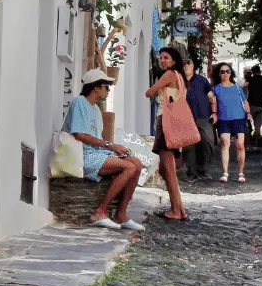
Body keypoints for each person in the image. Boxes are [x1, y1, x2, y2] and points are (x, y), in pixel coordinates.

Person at [63, 68, 146, 231]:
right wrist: (110, 145)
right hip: (82, 155)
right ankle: (100, 211)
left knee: (136, 163)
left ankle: (121, 214)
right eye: (106, 87)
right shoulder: (79, 102)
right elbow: (80, 135)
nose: (108, 90)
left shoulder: (95, 110)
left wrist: (115, 149)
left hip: (96, 154)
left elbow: (97, 139)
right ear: (95, 87)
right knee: (129, 167)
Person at [144, 47, 191, 221]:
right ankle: (179, 209)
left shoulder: (169, 75)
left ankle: (176, 210)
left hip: (165, 122)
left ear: (174, 60)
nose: (162, 60)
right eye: (160, 58)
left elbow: (150, 92)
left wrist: (155, 88)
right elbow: (175, 99)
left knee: (168, 169)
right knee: (166, 168)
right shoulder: (179, 77)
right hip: (173, 122)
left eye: (166, 57)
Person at [209, 62, 250, 183]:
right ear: (219, 74)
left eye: (227, 71)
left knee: (240, 145)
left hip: (239, 118)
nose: (225, 74)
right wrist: (214, 114)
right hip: (224, 119)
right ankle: (225, 173)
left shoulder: (237, 87)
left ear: (231, 73)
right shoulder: (215, 89)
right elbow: (213, 102)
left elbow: (245, 102)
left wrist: (248, 113)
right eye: (222, 72)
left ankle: (241, 173)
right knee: (225, 143)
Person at [181, 56, 215, 180]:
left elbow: (211, 97)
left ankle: (203, 169)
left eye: (188, 63)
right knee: (189, 145)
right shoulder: (178, 80)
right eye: (183, 64)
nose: (186, 66)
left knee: (207, 141)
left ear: (193, 65)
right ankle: (192, 172)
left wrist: (215, 113)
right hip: (185, 117)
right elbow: (172, 99)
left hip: (203, 116)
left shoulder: (202, 80)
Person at [244, 66, 262, 147]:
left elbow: (244, 88)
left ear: (252, 72)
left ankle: (248, 145)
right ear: (260, 71)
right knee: (257, 127)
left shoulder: (249, 80)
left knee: (247, 125)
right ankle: (256, 145)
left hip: (251, 106)